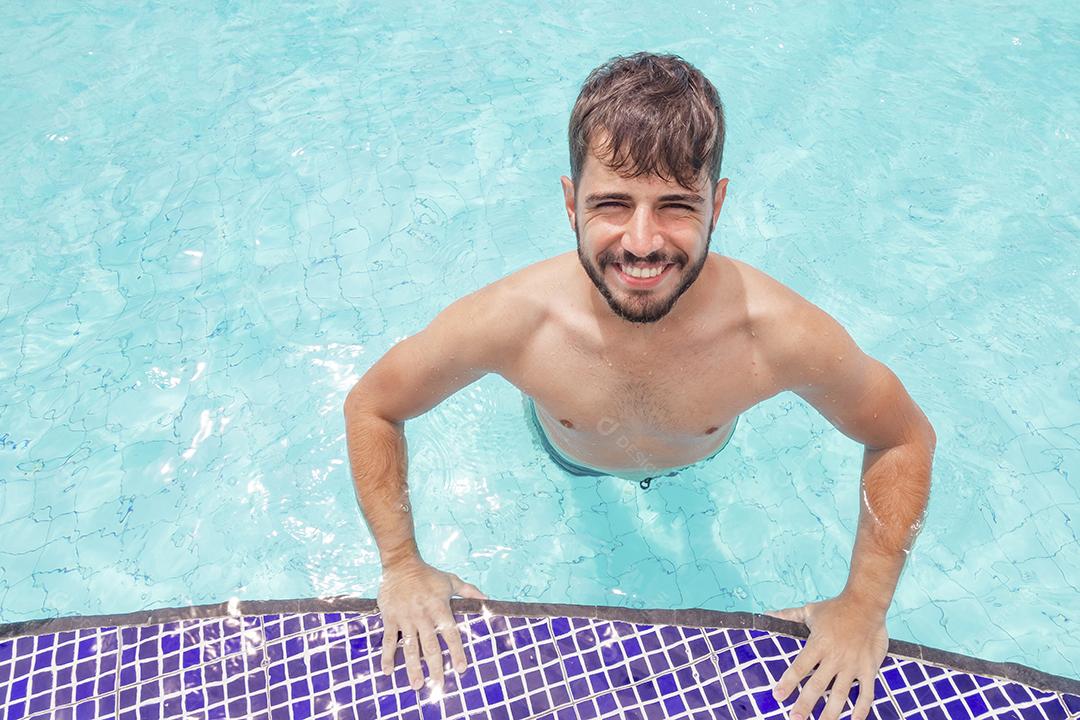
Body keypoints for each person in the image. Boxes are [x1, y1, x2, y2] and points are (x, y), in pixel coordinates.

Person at [343, 51, 936, 720]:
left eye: (677, 206)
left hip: (700, 458)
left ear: (719, 202)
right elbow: (374, 404)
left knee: (697, 531)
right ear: (571, 204)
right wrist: (401, 564)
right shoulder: (514, 323)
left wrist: (863, 605)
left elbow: (902, 438)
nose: (643, 242)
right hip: (567, 457)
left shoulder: (775, 336)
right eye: (612, 204)